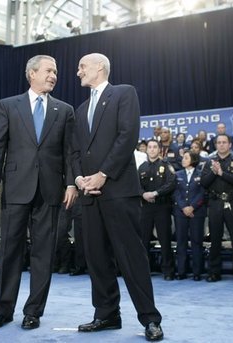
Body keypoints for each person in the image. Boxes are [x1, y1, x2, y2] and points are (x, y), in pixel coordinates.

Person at [72, 53, 163, 341]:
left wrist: (103, 174)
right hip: (89, 194)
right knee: (96, 257)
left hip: (118, 190)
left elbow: (127, 136)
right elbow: (75, 151)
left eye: (82, 67)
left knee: (131, 256)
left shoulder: (124, 93)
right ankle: (107, 314)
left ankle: (150, 319)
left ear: (100, 67)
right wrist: (79, 179)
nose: (78, 72)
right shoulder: (80, 108)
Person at [0, 55, 77, 330]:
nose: (54, 76)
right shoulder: (8, 105)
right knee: (9, 250)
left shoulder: (65, 110)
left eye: (56, 72)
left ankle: (34, 311)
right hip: (15, 188)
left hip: (50, 190)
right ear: (32, 73)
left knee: (43, 253)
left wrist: (71, 183)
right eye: (49, 70)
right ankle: (2, 310)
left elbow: (69, 152)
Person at [200, 134, 233, 283]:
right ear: (215, 145)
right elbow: (203, 182)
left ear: (229, 145)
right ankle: (214, 272)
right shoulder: (210, 162)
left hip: (232, 202)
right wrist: (214, 173)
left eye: (224, 142)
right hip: (215, 203)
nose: (221, 145)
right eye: (218, 142)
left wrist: (222, 173)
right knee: (215, 239)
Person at [138, 139, 176, 280]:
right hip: (146, 207)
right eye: (150, 147)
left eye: (155, 147)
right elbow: (136, 185)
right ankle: (144, 270)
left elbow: (171, 183)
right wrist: (143, 194)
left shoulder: (166, 165)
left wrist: (155, 193)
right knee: (144, 240)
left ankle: (168, 271)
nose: (152, 149)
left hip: (162, 206)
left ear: (159, 150)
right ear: (146, 150)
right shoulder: (142, 167)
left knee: (164, 239)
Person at [173, 151, 207, 281]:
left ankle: (197, 272)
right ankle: (181, 271)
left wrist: (192, 207)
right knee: (181, 242)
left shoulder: (201, 174)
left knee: (196, 242)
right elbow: (176, 193)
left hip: (196, 212)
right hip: (180, 212)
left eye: (186, 157)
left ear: (193, 160)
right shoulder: (178, 174)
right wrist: (183, 207)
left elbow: (202, 193)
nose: (183, 159)